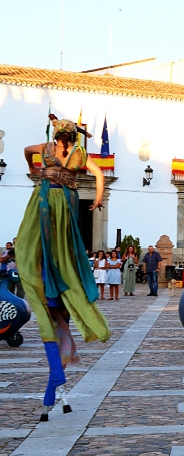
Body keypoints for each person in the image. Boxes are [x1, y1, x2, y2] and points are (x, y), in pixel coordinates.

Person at [16, 116, 111, 421]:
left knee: (41, 243)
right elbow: (98, 175)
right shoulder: (79, 155)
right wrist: (97, 200)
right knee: (60, 244)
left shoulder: (44, 148)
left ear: (56, 137)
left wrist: (34, 169)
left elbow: (26, 149)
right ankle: (53, 388)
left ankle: (53, 387)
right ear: (73, 138)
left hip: (44, 201)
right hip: (64, 203)